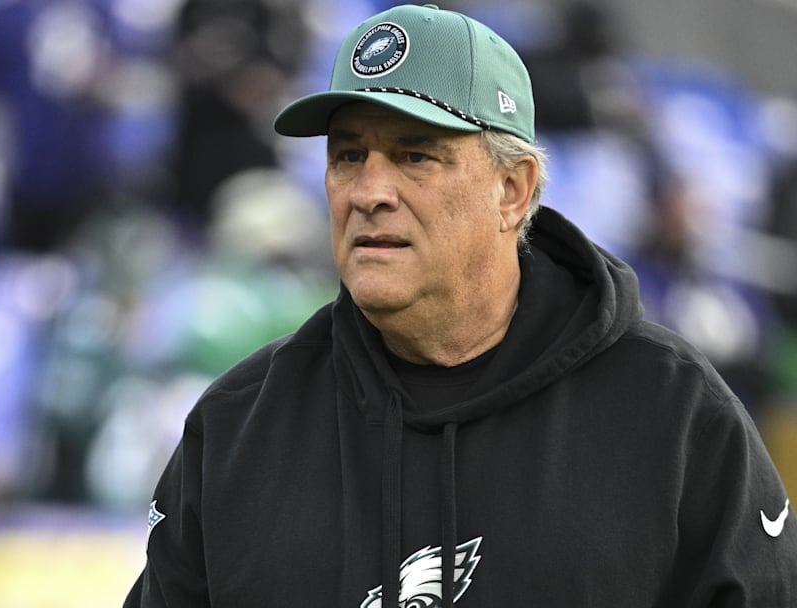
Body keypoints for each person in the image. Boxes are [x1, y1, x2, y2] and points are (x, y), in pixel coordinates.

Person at [123, 4, 797, 606]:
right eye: (348, 154)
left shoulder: (673, 415)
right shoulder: (239, 428)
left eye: (415, 155)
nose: (369, 191)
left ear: (513, 189)